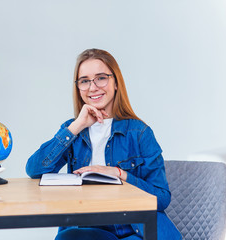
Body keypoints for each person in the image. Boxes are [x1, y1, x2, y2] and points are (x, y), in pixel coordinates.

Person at [25, 48, 181, 240]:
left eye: (101, 78)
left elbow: (162, 198)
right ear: (78, 88)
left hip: (133, 230)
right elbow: (34, 169)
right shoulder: (72, 131)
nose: (93, 87)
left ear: (116, 83)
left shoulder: (139, 133)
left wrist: (119, 174)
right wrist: (76, 126)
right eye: (84, 81)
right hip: (89, 230)